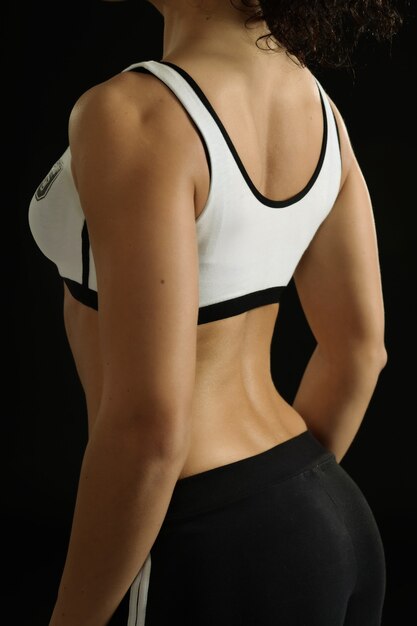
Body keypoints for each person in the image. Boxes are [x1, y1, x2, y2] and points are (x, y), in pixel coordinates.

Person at [28, 0, 402, 624]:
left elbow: (150, 427)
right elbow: (361, 352)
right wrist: (287, 503)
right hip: (326, 513)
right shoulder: (315, 103)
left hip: (203, 528)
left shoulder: (133, 112)